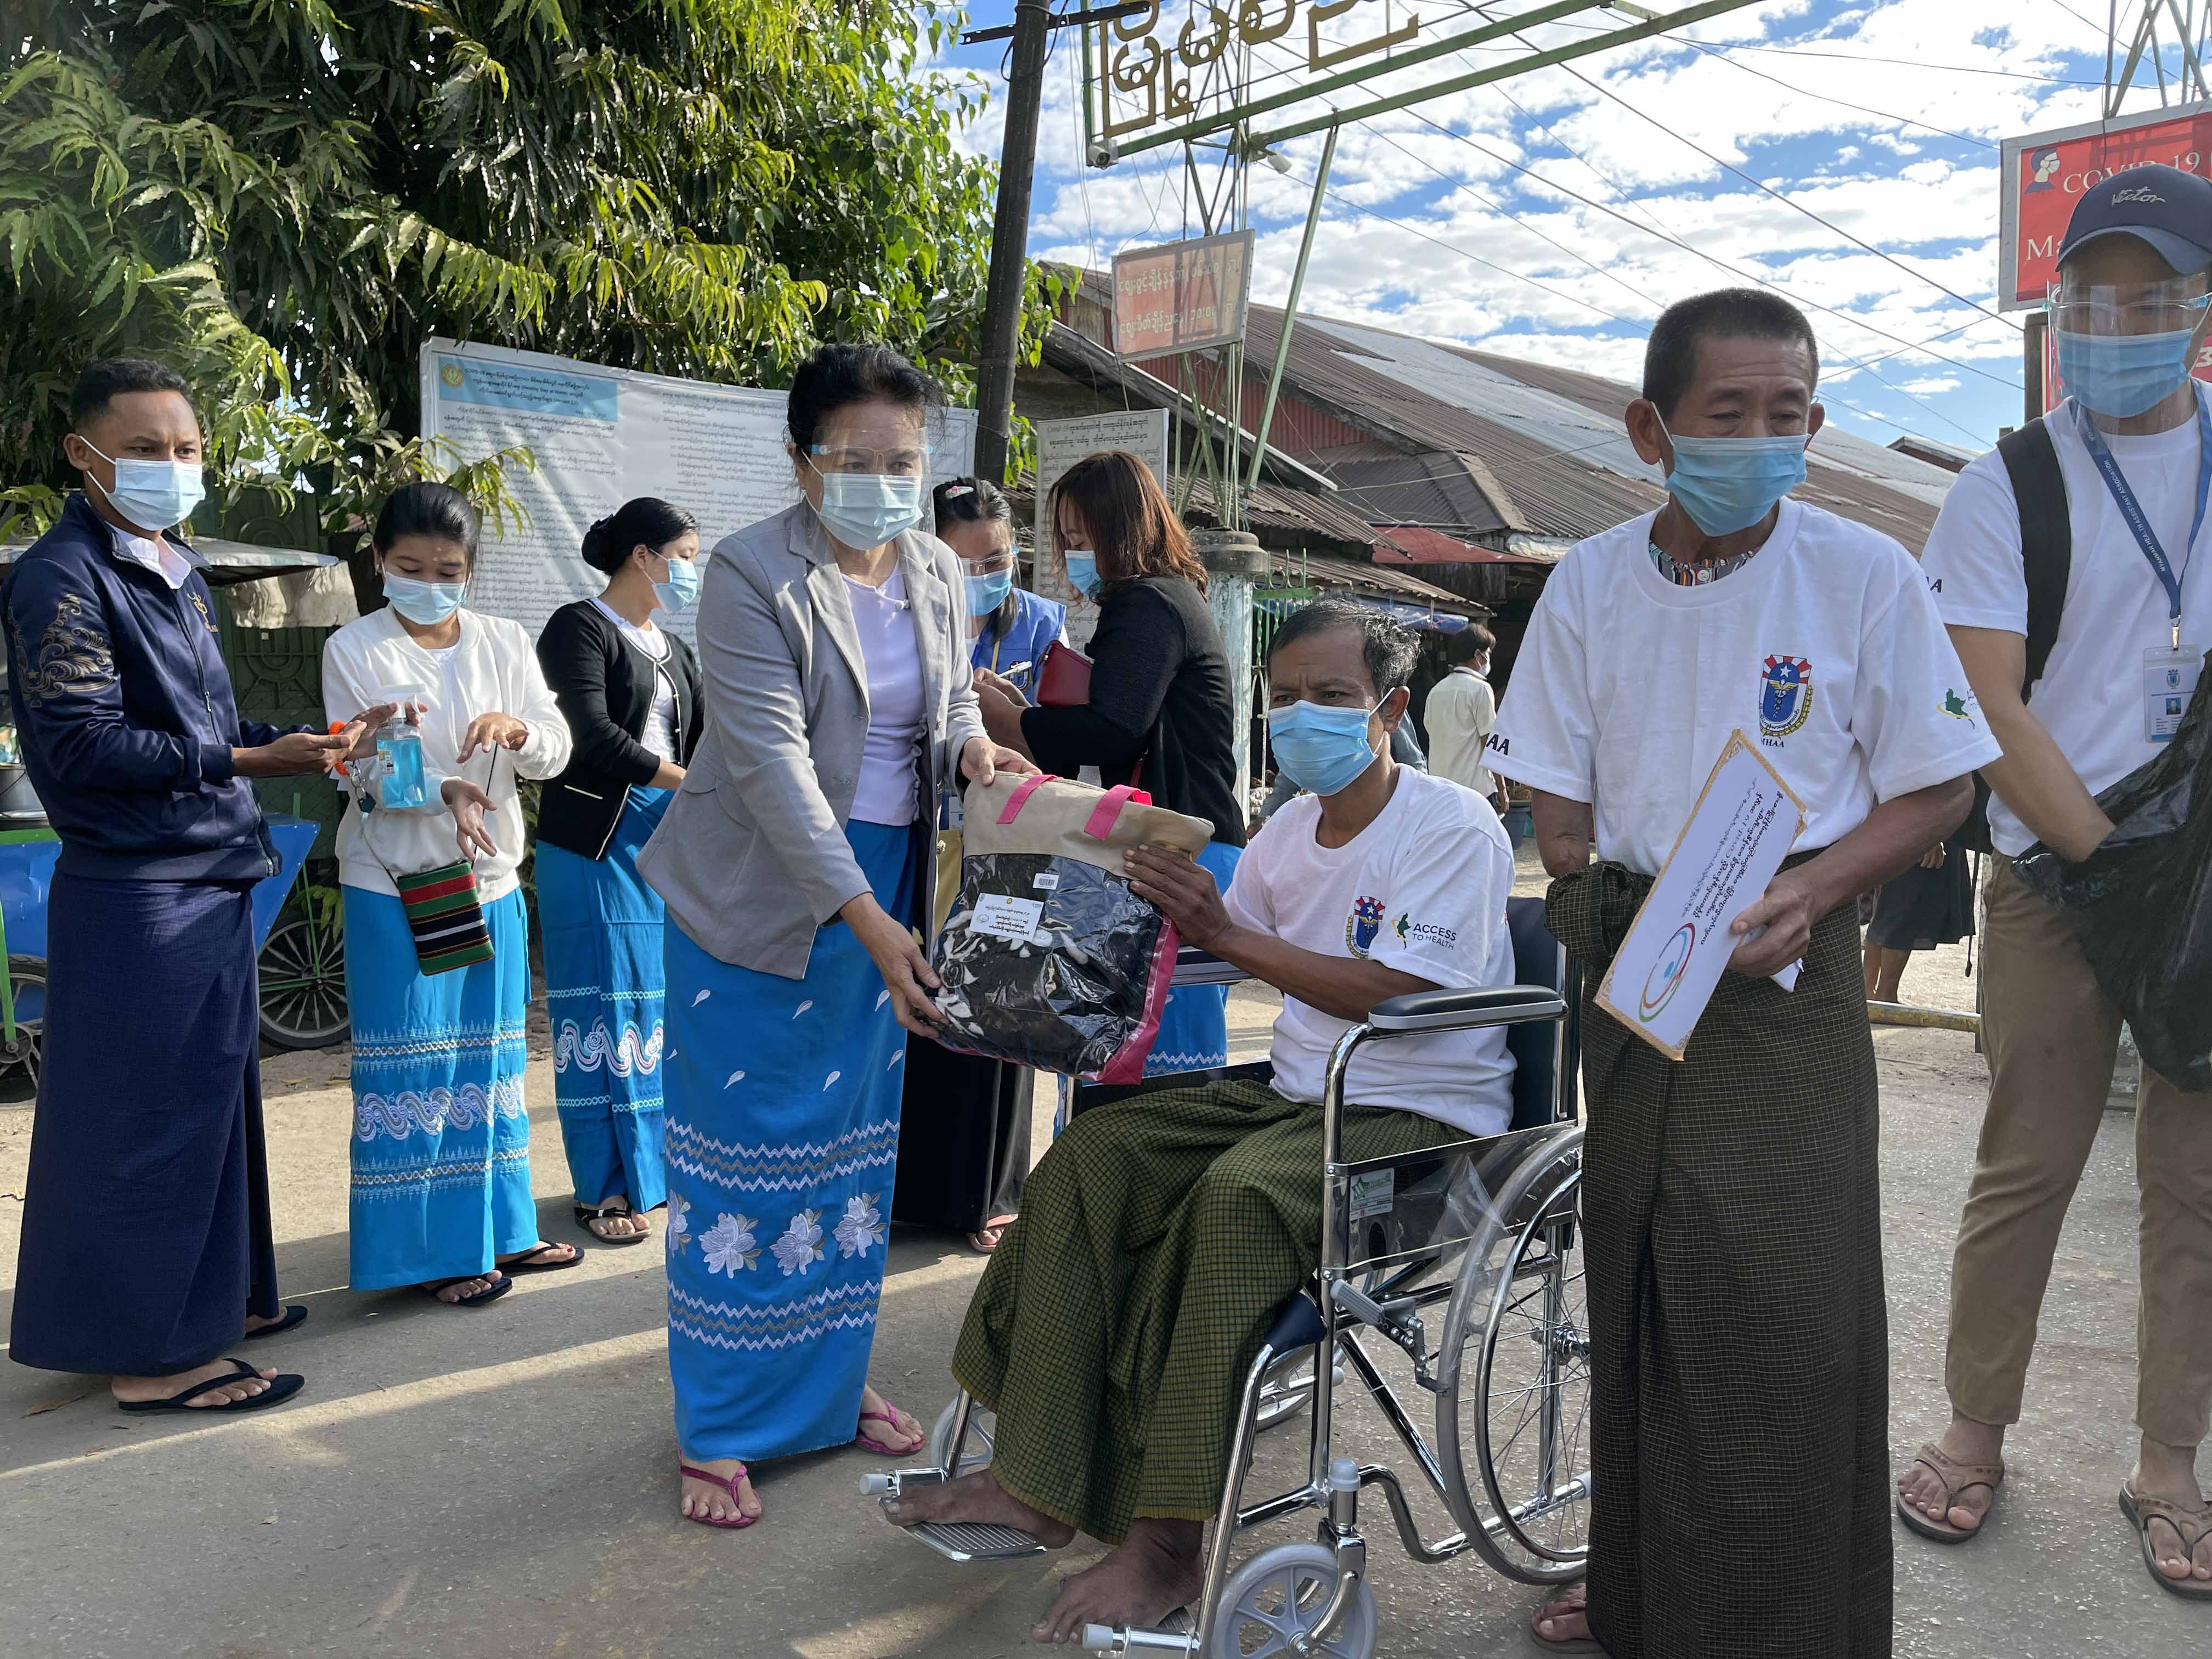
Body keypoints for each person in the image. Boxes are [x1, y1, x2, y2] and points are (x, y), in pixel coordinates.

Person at [1487, 289, 1999, 1658]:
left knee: (1782, 1307)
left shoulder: (1862, 575)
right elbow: (1554, 794)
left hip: (1788, 980)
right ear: (1653, 428)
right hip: (1640, 971)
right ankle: (1642, 1593)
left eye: (1792, 416)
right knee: (1640, 1279)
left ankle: (1777, 1622)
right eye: (1732, 416)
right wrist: (1598, 881)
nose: (1766, 442)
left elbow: (1938, 785)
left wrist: (1815, 888)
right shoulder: (1589, 582)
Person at [881, 598, 1518, 1640]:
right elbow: (1228, 950)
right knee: (1093, 1151)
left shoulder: (1451, 822)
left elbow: (1393, 988)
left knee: (1226, 1206)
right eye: (1285, 697)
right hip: (1297, 1092)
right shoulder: (1284, 831)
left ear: (1390, 707)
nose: (1301, 715)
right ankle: (1033, 1480)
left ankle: (1168, 1539)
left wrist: (1218, 921)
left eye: (1332, 696)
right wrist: (1098, 928)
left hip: (1416, 1118)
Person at [636, 343, 1031, 1531]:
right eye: (851, 459)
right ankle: (722, 1424)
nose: (879, 479)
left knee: (849, 1148)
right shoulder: (754, 574)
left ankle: (823, 1387)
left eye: (902, 460)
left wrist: (975, 750)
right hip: (765, 893)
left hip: (890, 880)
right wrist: (863, 917)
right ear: (801, 458)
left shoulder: (929, 563)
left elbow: (950, 698)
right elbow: (768, 764)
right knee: (745, 1146)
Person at [1903, 165, 2212, 1594]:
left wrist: (2176, 882)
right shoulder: (2007, 485)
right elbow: (1986, 708)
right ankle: (1974, 1433)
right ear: (2061, 311)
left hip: (2204, 892)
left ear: (2198, 310)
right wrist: (2104, 862)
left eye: (2150, 296)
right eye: (2094, 297)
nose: (2119, 322)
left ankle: (2168, 1466)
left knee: (2195, 1187)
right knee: (2024, 1166)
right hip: (2054, 881)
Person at [6, 358, 392, 1413]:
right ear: (83, 455)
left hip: (205, 869)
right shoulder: (63, 577)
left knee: (214, 1107)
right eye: (143, 450)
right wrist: (244, 765)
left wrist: (297, 744)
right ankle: (154, 1354)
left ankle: (227, 1300)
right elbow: (88, 745)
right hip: (142, 889)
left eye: (186, 449)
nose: (172, 468)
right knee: (148, 1122)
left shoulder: (168, 565)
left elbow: (204, 729)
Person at [323, 482, 578, 1306]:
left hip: (492, 878)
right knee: (416, 1066)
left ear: (471, 571)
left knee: (491, 1056)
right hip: (401, 884)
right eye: (410, 566)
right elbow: (361, 767)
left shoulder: (504, 639)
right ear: (380, 565)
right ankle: (426, 1255)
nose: (430, 581)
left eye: (449, 568)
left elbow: (558, 747)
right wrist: (451, 790)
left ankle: (503, 1230)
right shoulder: (353, 648)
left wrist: (520, 731)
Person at [973, 450, 1245, 1074]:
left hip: (1180, 848)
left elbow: (1113, 731)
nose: (1072, 554)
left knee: (1158, 1062)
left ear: (1122, 531)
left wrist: (1010, 723)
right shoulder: (1172, 598)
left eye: (1080, 537)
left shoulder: (1147, 604)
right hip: (1194, 847)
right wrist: (1028, 714)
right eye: (1064, 539)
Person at [535, 498, 704, 1244]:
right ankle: (604, 1187)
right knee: (602, 1012)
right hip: (598, 842)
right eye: (687, 554)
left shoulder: (672, 644)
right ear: (645, 555)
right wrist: (686, 781)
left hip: (667, 841)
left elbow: (708, 734)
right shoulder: (579, 626)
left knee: (656, 1010)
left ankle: (657, 1173)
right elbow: (591, 736)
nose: (691, 570)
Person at [923, 476, 1066, 1253]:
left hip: (1010, 838)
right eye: (967, 559)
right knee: (927, 1000)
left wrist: (1011, 714)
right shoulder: (911, 620)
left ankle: (993, 1192)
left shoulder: (1042, 624)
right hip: (924, 839)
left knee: (1002, 1004)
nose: (986, 573)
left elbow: (1063, 744)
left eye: (1000, 557)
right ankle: (926, 1192)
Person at [936, 476, 1066, 699]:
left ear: (1013, 546)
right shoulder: (901, 620)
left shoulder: (1042, 625)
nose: (979, 576)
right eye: (960, 564)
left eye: (995, 561)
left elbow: (1062, 727)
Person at [1860, 838, 1970, 1005]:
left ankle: (1869, 992)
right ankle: (1885, 996)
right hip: (1921, 829)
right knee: (1903, 911)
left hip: (1911, 829)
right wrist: (1932, 834)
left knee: (1888, 908)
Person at [1423, 622, 1509, 815]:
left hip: (1441, 791)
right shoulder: (1480, 689)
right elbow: (1490, 742)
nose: (1488, 658)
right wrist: (1502, 787)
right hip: (1475, 792)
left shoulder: (1436, 691)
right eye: (1487, 653)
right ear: (1478, 655)